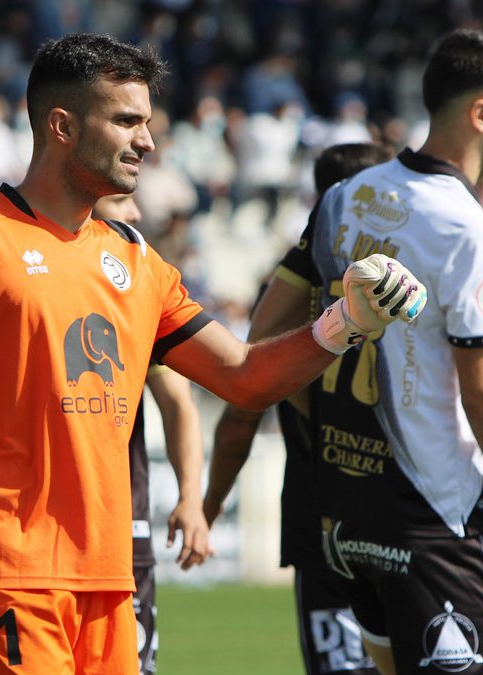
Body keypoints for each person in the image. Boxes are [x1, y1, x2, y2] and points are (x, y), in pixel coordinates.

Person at [0, 32, 426, 674]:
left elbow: (243, 377)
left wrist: (347, 319)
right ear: (63, 125)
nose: (148, 141)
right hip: (8, 572)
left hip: (111, 581)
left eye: (148, 122)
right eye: (127, 120)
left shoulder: (134, 256)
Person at [240, 29, 483, 675]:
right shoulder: (467, 227)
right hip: (430, 520)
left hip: (347, 513)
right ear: (482, 113)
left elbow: (264, 333)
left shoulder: (347, 196)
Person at [204, 142, 391, 675]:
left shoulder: (284, 288)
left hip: (323, 520)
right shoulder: (407, 282)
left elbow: (244, 406)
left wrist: (211, 503)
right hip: (398, 513)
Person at [93, 192, 210, 674]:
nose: (137, 213)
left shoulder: (134, 292)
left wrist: (191, 498)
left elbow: (180, 403)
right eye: (122, 200)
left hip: (126, 525)